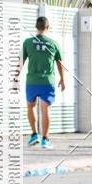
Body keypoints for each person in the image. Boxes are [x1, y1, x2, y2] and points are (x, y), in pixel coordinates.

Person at [15, 16, 65, 149]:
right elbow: (60, 64)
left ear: (36, 27)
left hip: (32, 80)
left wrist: (15, 78)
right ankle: (45, 139)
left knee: (31, 106)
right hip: (48, 81)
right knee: (46, 109)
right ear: (47, 27)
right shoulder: (53, 43)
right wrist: (63, 80)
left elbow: (21, 61)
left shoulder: (28, 42)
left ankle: (34, 134)